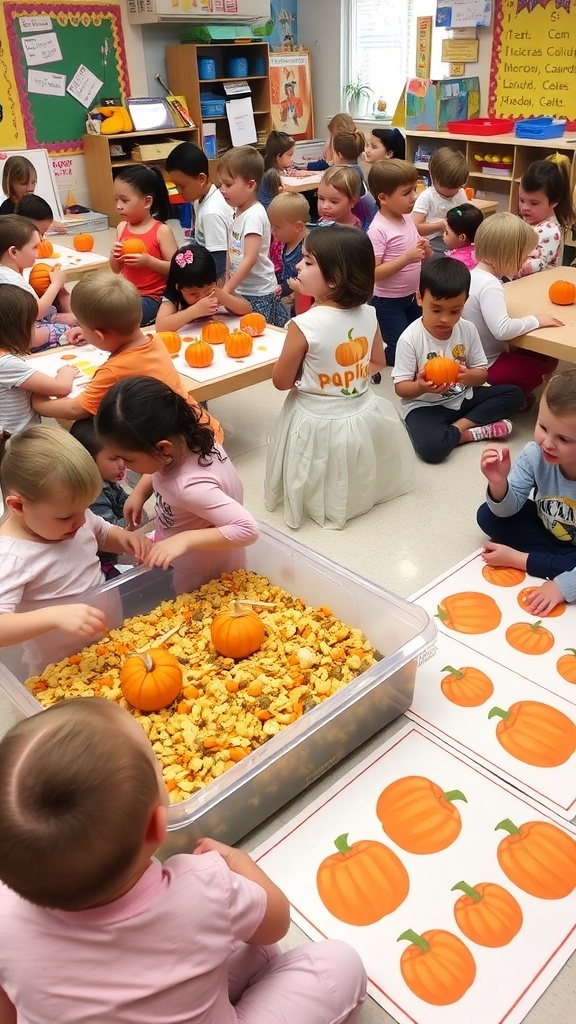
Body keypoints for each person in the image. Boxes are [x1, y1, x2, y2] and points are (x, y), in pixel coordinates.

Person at [0, 697, 367, 1024]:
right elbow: (276, 923)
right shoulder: (205, 886)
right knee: (337, 963)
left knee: (246, 944)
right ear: (158, 826)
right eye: (158, 765)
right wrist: (237, 861)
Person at [264, 225, 415, 530]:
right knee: (351, 465)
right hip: (360, 408)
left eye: (307, 262)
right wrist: (349, 378)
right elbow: (378, 361)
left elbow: (281, 381)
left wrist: (310, 381)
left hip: (314, 415)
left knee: (318, 464)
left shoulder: (304, 324)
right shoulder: (368, 312)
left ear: (333, 278)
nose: (297, 266)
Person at [96, 376, 259, 594]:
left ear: (162, 448)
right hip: (178, 537)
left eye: (128, 459)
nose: (125, 465)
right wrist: (141, 492)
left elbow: (248, 529)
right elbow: (161, 467)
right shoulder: (191, 439)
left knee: (189, 608)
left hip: (202, 568)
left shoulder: (190, 488)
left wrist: (182, 540)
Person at [0, 425, 151, 649]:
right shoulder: (12, 556)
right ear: (18, 506)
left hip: (110, 641)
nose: (81, 522)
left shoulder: (74, 518)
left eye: (85, 509)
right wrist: (54, 617)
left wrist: (125, 540)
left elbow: (100, 531)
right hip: (61, 667)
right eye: (66, 517)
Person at [31, 271, 223, 443]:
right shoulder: (153, 341)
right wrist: (89, 331)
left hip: (179, 448)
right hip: (204, 428)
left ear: (99, 334)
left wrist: (39, 403)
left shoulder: (114, 370)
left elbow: (76, 409)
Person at [392, 257, 524, 464]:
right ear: (419, 298)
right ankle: (471, 433)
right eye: (436, 309)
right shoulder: (410, 339)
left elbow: (482, 375)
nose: (445, 319)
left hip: (463, 398)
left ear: (465, 302)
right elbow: (401, 389)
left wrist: (466, 375)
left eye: (455, 310)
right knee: (432, 450)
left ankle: (458, 428)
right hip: (424, 406)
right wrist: (421, 386)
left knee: (515, 394)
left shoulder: (467, 329)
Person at [477, 369, 576, 615]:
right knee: (487, 515)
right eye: (542, 427)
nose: (547, 443)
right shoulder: (535, 453)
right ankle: (557, 561)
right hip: (551, 533)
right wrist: (498, 482)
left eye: (563, 439)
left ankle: (532, 559)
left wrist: (561, 587)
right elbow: (508, 509)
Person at [463, 213, 561, 405]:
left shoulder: (473, 275)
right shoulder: (490, 285)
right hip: (486, 364)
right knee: (538, 371)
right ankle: (506, 395)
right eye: (525, 256)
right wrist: (536, 320)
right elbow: (502, 330)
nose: (527, 260)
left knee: (547, 358)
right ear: (509, 255)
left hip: (476, 357)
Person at [367, 159, 431, 368]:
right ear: (383, 198)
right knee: (400, 347)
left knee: (418, 338)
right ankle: (370, 362)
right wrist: (406, 258)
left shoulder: (407, 220)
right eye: (406, 193)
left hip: (412, 297)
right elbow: (373, 273)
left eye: (414, 190)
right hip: (387, 301)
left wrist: (424, 252)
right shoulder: (378, 230)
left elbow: (416, 259)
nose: (414, 197)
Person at [217, 146, 288, 327]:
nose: (222, 190)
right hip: (240, 290)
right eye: (221, 184)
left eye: (228, 184)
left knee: (256, 334)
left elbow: (249, 258)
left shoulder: (254, 215)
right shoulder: (238, 211)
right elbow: (231, 252)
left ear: (250, 185)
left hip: (258, 293)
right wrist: (227, 284)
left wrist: (226, 291)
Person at [0, 284, 78, 436]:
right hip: (18, 441)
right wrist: (66, 371)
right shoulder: (7, 364)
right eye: (32, 326)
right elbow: (61, 387)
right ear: (17, 329)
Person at [109, 164, 178, 327]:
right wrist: (115, 256)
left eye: (125, 200)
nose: (118, 206)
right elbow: (115, 269)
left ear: (147, 202)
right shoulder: (121, 228)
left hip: (154, 299)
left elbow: (177, 269)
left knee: (119, 319)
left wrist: (149, 261)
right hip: (127, 293)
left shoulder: (161, 231)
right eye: (116, 200)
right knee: (99, 304)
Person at [0, 215, 77, 351]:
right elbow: (38, 312)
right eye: (35, 247)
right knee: (68, 328)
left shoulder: (8, 271)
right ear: (14, 252)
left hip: (25, 324)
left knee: (72, 318)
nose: (38, 252)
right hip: (20, 334)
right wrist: (56, 284)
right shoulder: (11, 280)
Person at [70, 417, 131, 581]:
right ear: (89, 460)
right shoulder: (94, 494)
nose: (123, 463)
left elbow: (127, 507)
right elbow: (114, 530)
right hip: (102, 563)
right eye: (114, 458)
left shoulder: (107, 481)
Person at [165, 141, 233, 281]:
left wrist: (200, 286)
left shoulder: (211, 212)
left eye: (182, 186)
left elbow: (219, 262)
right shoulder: (200, 197)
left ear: (201, 179)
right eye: (176, 185)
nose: (178, 191)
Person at [156, 243, 250, 333]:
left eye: (207, 291)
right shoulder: (173, 296)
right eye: (193, 294)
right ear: (178, 287)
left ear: (214, 283)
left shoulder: (215, 292)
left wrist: (224, 297)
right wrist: (194, 311)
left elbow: (247, 309)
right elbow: (161, 327)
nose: (202, 297)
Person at [15, 194, 76, 328]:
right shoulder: (11, 275)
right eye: (38, 232)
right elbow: (35, 312)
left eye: (43, 233)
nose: (41, 239)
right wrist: (56, 284)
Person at [516, 154, 575, 276]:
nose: (525, 208)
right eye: (522, 200)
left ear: (554, 202)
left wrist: (500, 263)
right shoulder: (529, 220)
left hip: (536, 287)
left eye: (534, 203)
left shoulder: (549, 230)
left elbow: (534, 265)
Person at [412, 147, 468, 254]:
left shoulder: (460, 193)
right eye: (447, 188)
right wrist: (441, 225)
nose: (451, 192)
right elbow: (414, 228)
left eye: (456, 187)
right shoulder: (427, 197)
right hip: (431, 242)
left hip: (454, 240)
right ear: (433, 177)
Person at [267, 191, 311, 315]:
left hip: (306, 301)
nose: (272, 231)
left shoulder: (307, 247)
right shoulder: (284, 240)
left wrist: (285, 288)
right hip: (292, 294)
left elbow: (307, 276)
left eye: (277, 227)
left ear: (297, 227)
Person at [0, 155, 67, 231]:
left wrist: (52, 223)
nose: (30, 189)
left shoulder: (35, 206)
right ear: (10, 183)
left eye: (33, 182)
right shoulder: (6, 210)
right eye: (24, 183)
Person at [330, 128, 377, 230]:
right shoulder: (356, 169)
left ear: (339, 155)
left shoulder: (346, 175)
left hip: (360, 225)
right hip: (366, 220)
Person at [443, 202, 483, 269]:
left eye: (446, 232)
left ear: (462, 237)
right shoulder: (481, 252)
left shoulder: (453, 263)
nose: (443, 234)